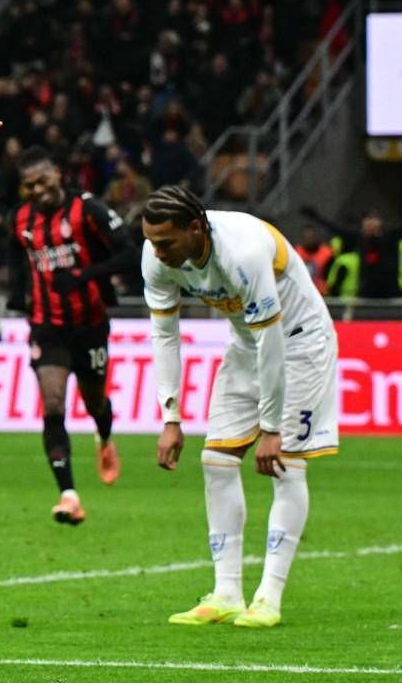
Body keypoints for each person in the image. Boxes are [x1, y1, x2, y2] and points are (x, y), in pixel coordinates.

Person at [141, 185, 338, 628]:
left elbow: (273, 339)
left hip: (300, 344)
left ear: (195, 228)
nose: (157, 252)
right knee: (216, 462)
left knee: (285, 465)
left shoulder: (243, 250)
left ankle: (269, 598)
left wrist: (271, 428)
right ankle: (227, 593)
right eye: (151, 241)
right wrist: (170, 417)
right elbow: (164, 335)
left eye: (165, 242)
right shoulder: (156, 259)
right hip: (247, 345)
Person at [5, 146, 135, 526]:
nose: (37, 189)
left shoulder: (87, 208)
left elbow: (130, 254)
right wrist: (18, 297)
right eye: (29, 185)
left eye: (42, 180)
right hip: (47, 327)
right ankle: (69, 495)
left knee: (94, 402)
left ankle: (104, 437)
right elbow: (16, 261)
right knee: (53, 404)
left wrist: (83, 276)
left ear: (58, 174)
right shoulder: (19, 219)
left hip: (90, 324)